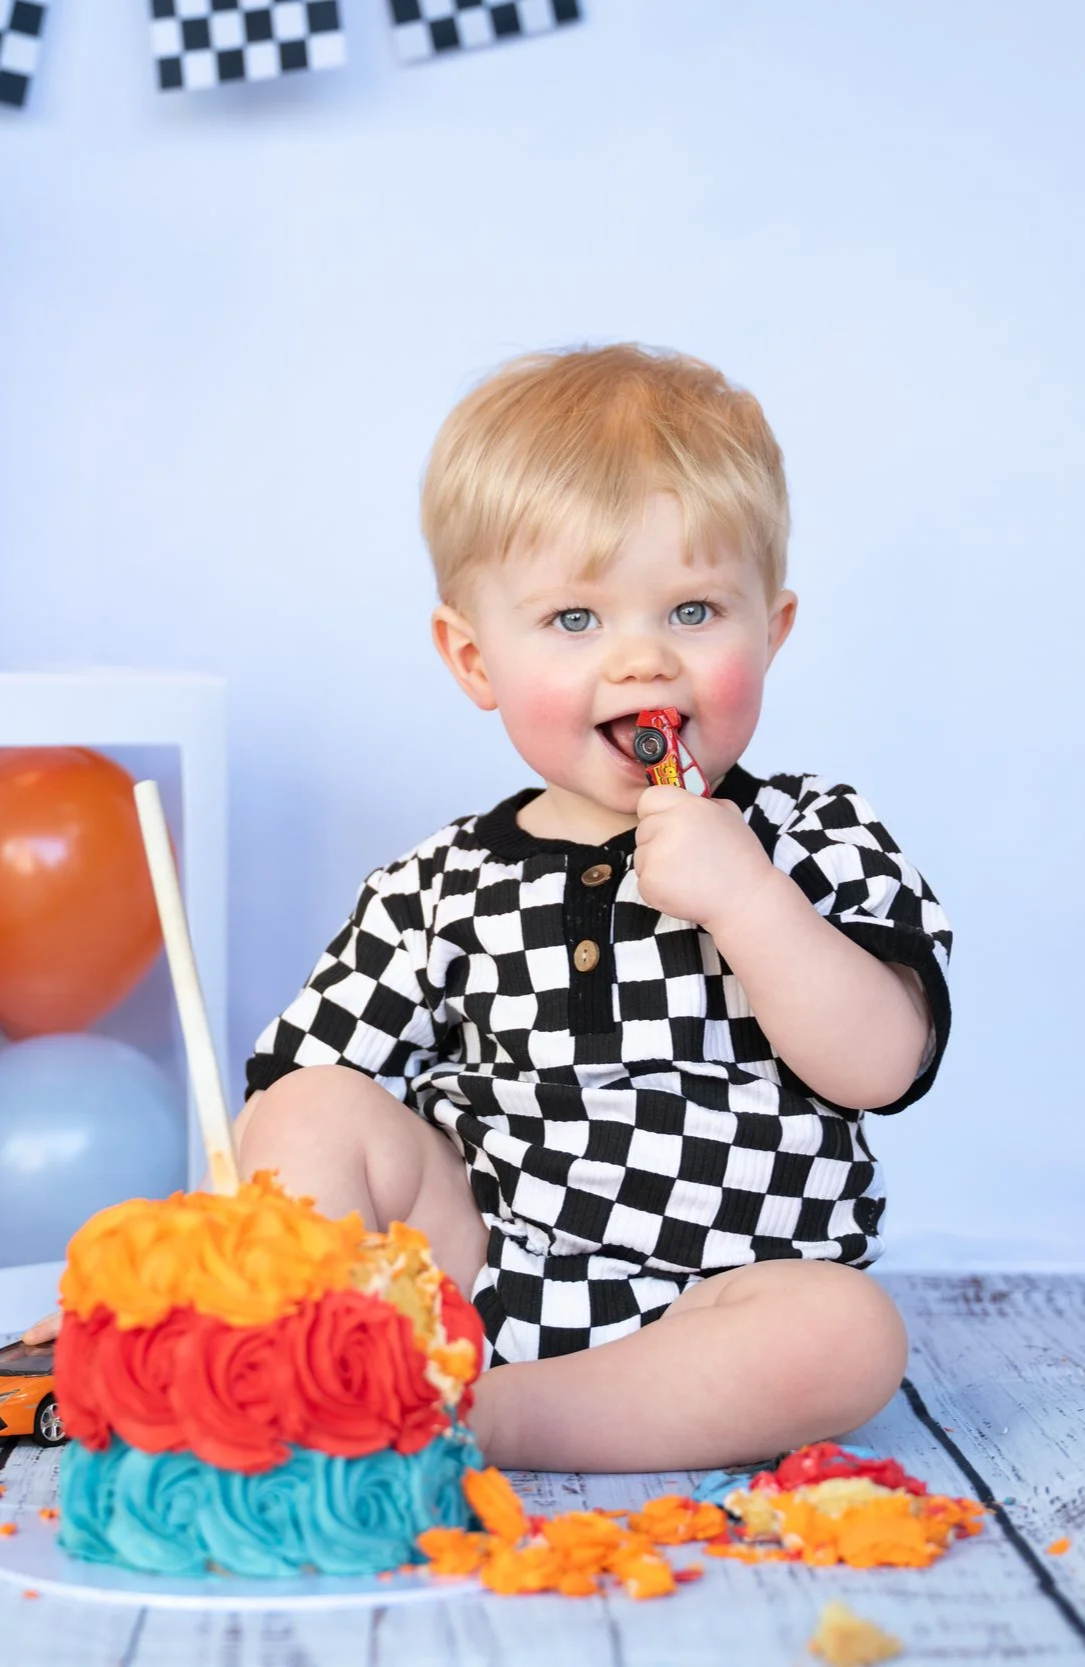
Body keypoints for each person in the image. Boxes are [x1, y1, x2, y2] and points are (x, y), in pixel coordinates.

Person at [29, 345, 951, 1475]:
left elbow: (883, 1064)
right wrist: (178, 1283)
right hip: (471, 1277)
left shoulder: (814, 833)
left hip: (730, 1299)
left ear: (774, 628)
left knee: (850, 1335)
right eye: (573, 619)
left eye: (696, 607)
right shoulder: (440, 883)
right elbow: (284, 1120)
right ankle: (306, 1350)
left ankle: (479, 1420)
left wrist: (749, 897)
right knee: (316, 1098)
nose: (641, 655)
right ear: (474, 658)